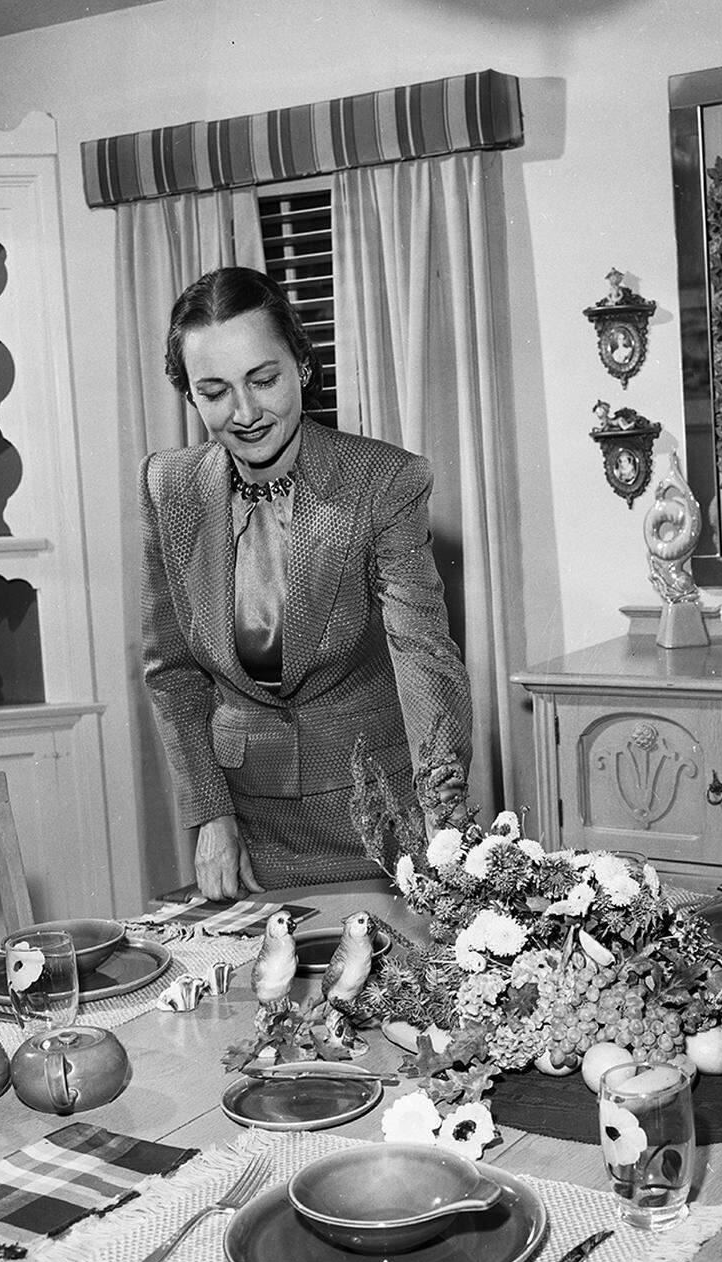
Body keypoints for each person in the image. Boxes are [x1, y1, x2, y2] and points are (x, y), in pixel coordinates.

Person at [140, 267, 472, 899]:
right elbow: (172, 669)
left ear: (303, 364)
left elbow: (422, 657)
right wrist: (211, 814)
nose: (244, 413)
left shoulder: (382, 482)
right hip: (249, 833)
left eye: (263, 380)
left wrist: (446, 821)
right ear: (191, 398)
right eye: (214, 392)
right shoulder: (168, 487)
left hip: (386, 819)